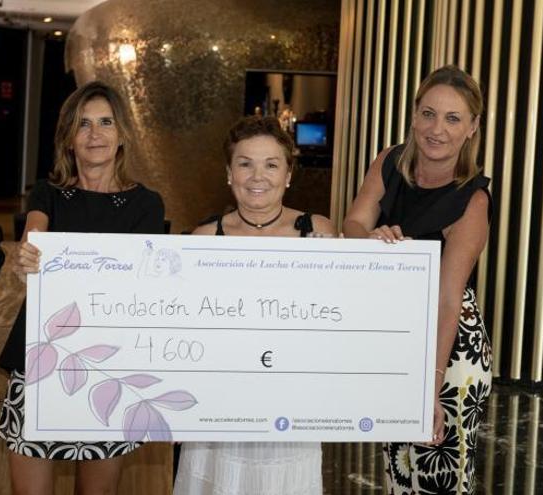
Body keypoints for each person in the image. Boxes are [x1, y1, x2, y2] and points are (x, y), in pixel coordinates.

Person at [0, 81, 165, 495]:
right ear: (69, 138)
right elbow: (34, 235)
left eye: (106, 122)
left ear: (122, 134)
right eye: (83, 124)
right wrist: (26, 255)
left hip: (110, 364)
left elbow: (143, 284)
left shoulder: (147, 204)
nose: (95, 134)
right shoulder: (48, 193)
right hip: (40, 356)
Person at [343, 65, 493, 494]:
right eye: (429, 114)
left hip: (449, 350)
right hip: (398, 333)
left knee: (437, 479)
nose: (437, 129)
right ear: (413, 115)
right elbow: (353, 223)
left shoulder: (472, 199)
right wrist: (372, 238)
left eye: (453, 119)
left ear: (472, 128)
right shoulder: (389, 162)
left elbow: (448, 301)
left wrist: (429, 384)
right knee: (399, 473)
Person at [172, 116, 335, 495]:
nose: (257, 176)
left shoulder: (320, 234)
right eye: (245, 163)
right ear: (229, 172)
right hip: (217, 412)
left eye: (271, 164)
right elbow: (183, 332)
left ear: (288, 174)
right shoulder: (202, 238)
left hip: (292, 412)